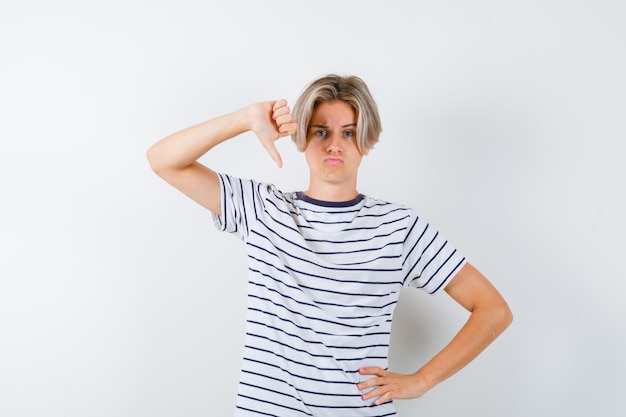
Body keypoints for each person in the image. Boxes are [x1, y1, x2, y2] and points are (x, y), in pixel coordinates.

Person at [146, 74, 512, 416]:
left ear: (366, 141)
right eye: (321, 132)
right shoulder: (263, 209)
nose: (335, 145)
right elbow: (163, 161)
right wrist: (244, 119)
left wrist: (421, 381)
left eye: (349, 133)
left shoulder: (399, 227)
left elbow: (493, 310)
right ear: (302, 138)